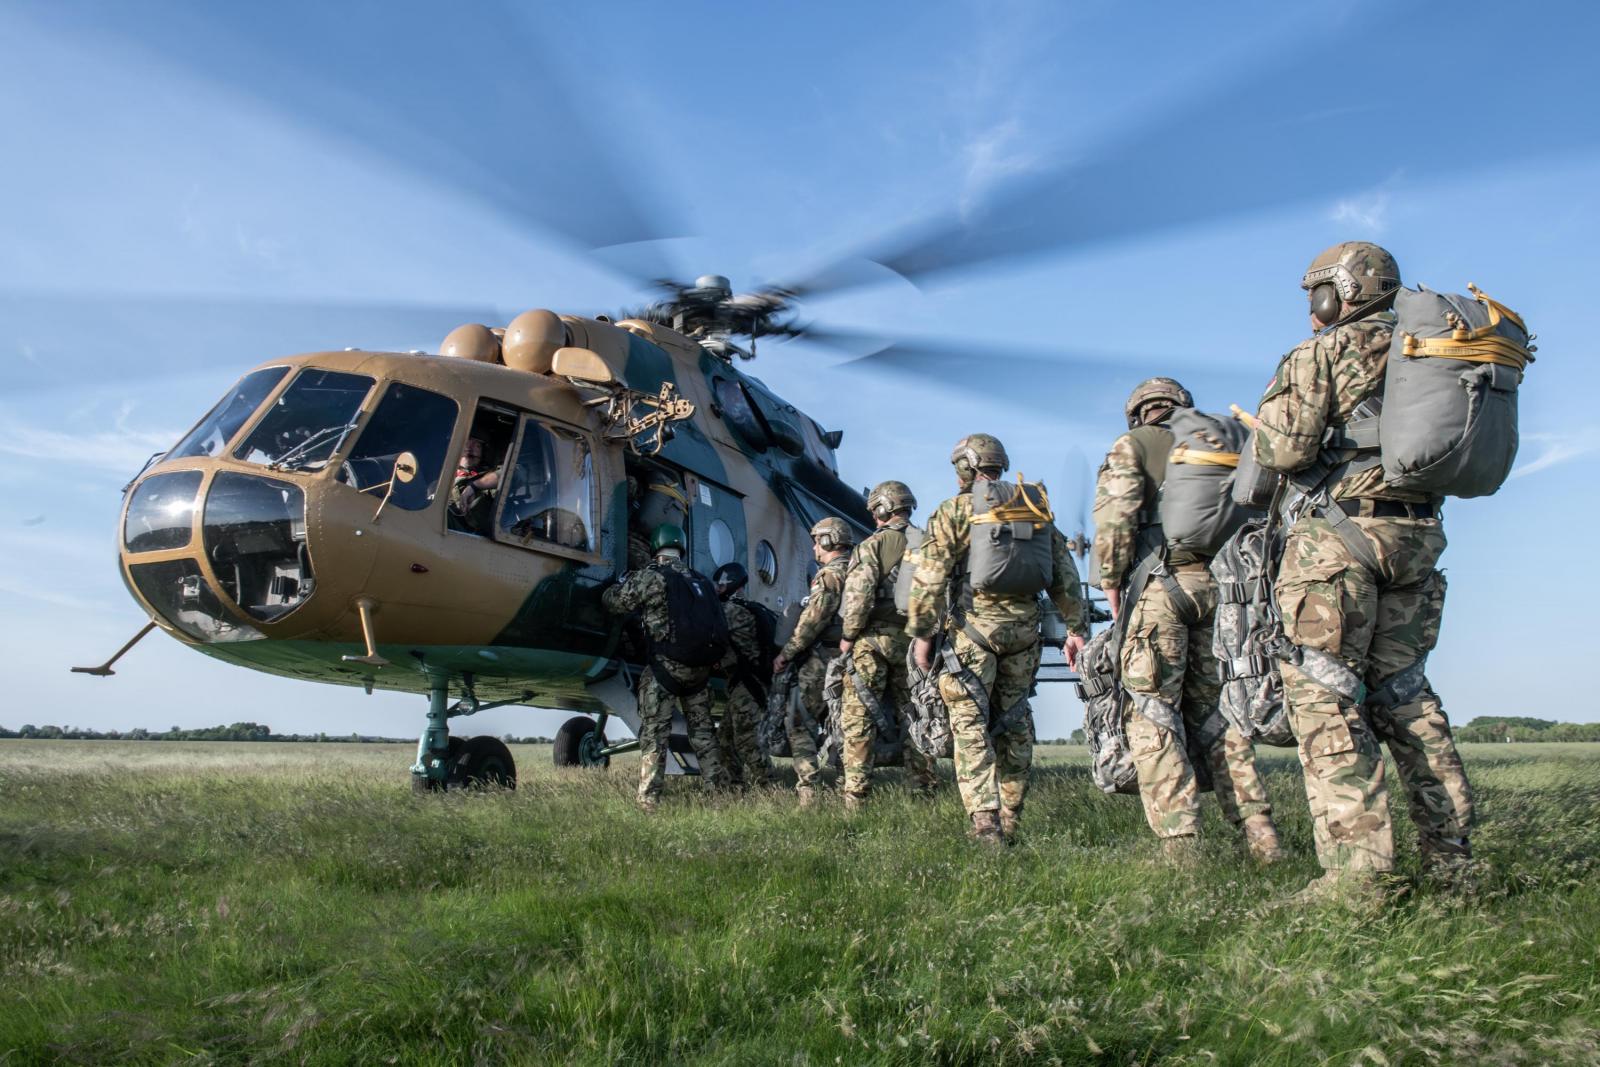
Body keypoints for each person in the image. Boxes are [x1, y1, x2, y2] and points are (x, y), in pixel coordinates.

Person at [1252, 240, 1473, 895]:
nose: (1312, 310)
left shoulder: (1321, 352)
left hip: (1339, 544)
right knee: (1407, 697)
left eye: (1316, 294)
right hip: (1418, 535)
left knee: (1325, 698)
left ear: (1338, 293)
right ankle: (1455, 859)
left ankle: (1360, 879)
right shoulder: (1427, 351)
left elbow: (1281, 449)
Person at [1093, 378, 1284, 863]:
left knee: (1152, 712)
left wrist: (1115, 598)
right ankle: (1261, 836)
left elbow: (1115, 526)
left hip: (1160, 588)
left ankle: (1183, 849)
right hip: (1228, 592)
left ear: (1138, 412)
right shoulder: (1234, 439)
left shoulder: (1134, 444)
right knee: (1222, 715)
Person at [907, 434, 1088, 845]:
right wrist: (1076, 630)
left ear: (965, 468)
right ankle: (1011, 818)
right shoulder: (1033, 507)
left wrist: (922, 637)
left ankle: (985, 825)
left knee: (970, 726)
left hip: (972, 634)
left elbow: (930, 576)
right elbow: (1065, 575)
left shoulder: (957, 509)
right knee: (1015, 723)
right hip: (1025, 635)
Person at [602, 523, 729, 811]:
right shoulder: (703, 582)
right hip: (700, 672)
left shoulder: (652, 577)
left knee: (654, 735)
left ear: (656, 547)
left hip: (665, 670)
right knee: (704, 734)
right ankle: (716, 795)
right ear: (681, 547)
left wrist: (613, 585)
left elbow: (614, 603)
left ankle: (649, 799)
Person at [838, 480, 937, 808]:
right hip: (915, 644)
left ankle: (856, 793)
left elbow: (858, 596)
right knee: (916, 715)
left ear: (881, 509)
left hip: (873, 642)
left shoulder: (872, 545)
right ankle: (922, 789)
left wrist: (848, 636)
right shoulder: (928, 542)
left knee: (859, 716)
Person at [773, 517, 853, 807]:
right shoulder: (860, 571)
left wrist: (787, 653)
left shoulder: (830, 575)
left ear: (830, 541)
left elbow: (814, 620)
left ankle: (808, 792)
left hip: (825, 659)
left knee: (798, 720)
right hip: (853, 658)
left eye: (817, 540)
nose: (814, 546)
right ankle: (850, 790)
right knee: (846, 725)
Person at [713, 561, 774, 789]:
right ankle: (733, 787)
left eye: (720, 586)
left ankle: (770, 789)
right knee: (725, 740)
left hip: (747, 685)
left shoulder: (730, 611)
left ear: (730, 585)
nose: (717, 590)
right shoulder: (752, 608)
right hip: (749, 684)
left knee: (748, 742)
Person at [449, 437, 500, 533]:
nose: (469, 448)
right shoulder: (442, 473)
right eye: (466, 442)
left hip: (468, 533)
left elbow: (514, 475)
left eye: (477, 445)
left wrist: (475, 486)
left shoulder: (488, 479)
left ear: (483, 454)